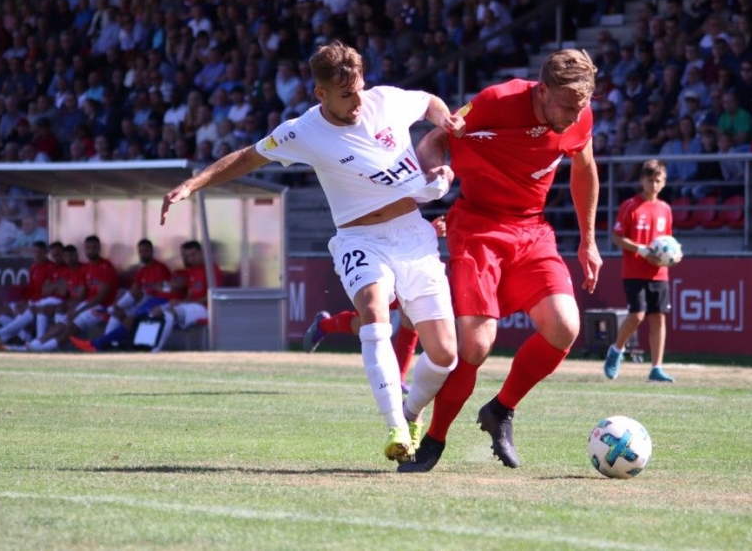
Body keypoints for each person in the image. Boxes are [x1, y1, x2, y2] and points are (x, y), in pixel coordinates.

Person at [160, 41, 463, 466]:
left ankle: (411, 411)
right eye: (345, 96)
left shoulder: (386, 101)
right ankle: (395, 426)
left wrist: (444, 118)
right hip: (361, 239)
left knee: (446, 355)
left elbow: (429, 102)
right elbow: (248, 158)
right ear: (321, 94)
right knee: (374, 309)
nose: (357, 102)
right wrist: (193, 183)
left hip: (413, 234)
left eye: (358, 89)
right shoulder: (302, 130)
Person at [409, 48, 602, 473]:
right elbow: (434, 139)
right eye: (567, 106)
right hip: (477, 227)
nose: (574, 117)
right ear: (543, 90)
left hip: (532, 230)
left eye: (582, 107)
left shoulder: (579, 117)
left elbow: (584, 168)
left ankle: (500, 409)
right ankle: (434, 439)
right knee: (475, 346)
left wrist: (588, 240)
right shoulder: (496, 101)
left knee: (565, 326)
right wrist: (436, 173)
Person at [303, 217, 448, 392]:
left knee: (409, 317)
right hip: (372, 254)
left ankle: (398, 379)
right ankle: (324, 325)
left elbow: (406, 212)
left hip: (403, 256)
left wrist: (428, 231)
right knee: (367, 322)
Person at [604, 159, 676, 383]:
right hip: (634, 270)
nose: (654, 185)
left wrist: (672, 255)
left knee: (658, 318)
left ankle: (656, 368)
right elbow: (616, 237)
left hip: (659, 273)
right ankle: (616, 350)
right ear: (641, 180)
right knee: (637, 315)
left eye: (658, 181)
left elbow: (667, 241)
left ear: (663, 183)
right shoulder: (630, 206)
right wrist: (641, 250)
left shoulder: (665, 209)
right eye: (650, 180)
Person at [70, 238, 175, 352]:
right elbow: (135, 289)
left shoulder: (161, 268)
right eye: (140, 252)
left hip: (158, 302)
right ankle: (104, 346)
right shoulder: (141, 270)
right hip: (143, 302)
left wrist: (154, 288)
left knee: (130, 317)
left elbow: (166, 290)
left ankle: (97, 343)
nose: (143, 254)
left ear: (151, 251)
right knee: (116, 314)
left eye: (146, 251)